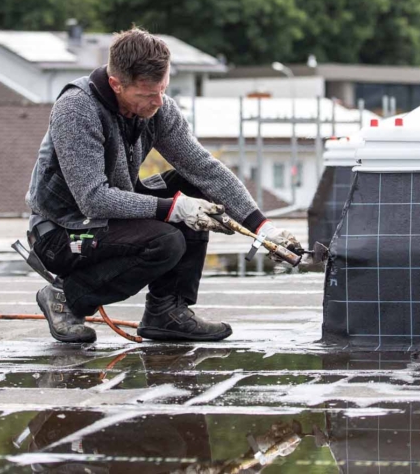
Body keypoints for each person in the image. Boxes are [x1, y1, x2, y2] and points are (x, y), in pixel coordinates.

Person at [25, 27, 300, 343]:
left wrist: (261, 226)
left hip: (108, 221)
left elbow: (204, 168)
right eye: (147, 94)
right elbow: (93, 199)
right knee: (166, 240)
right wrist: (173, 209)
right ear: (116, 84)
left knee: (193, 185)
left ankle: (167, 313)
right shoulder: (77, 108)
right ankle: (66, 298)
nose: (158, 101)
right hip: (62, 233)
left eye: (163, 89)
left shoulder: (157, 108)